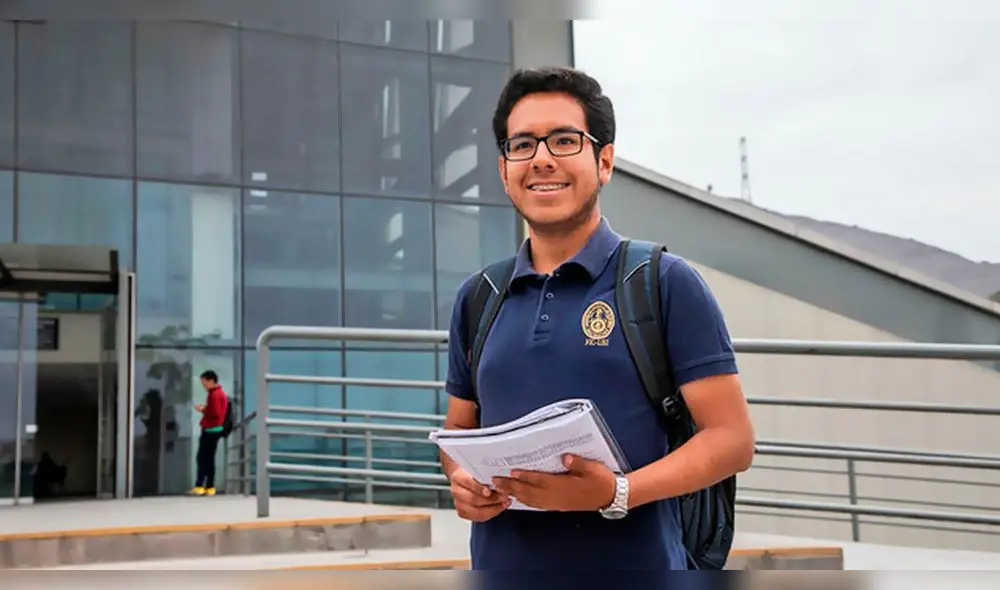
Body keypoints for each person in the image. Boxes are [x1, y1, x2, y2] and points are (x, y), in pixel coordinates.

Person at [440, 66, 756, 571]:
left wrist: (618, 492)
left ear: (604, 161)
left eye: (564, 140)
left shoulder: (663, 282)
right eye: (522, 145)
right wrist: (462, 481)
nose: (541, 159)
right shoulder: (480, 296)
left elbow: (732, 440)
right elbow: (460, 428)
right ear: (504, 170)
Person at [191, 369, 228, 496]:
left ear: (211, 380)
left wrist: (203, 410)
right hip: (215, 429)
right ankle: (209, 486)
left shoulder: (215, 395)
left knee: (202, 458)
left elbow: (215, 413)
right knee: (209, 458)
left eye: (204, 383)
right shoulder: (218, 394)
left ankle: (200, 485)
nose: (204, 386)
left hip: (210, 430)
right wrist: (206, 409)